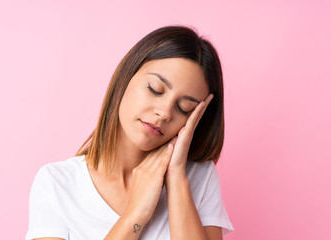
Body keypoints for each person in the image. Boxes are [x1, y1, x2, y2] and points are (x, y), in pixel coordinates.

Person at [26, 25, 234, 240]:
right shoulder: (57, 183)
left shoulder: (198, 177)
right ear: (126, 77)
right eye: (155, 89)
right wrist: (137, 212)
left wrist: (176, 179)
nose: (164, 113)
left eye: (184, 108)